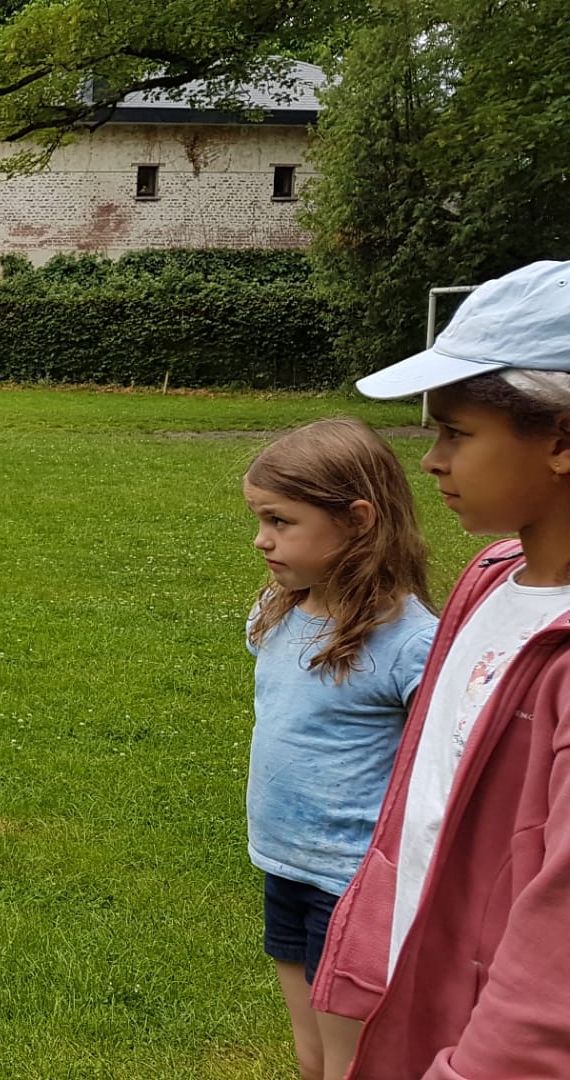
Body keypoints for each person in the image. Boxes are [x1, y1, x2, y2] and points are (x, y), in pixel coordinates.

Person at [314, 260, 570, 1077]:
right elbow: (423, 803)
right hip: (415, 989)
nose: (430, 460)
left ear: (562, 440)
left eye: (456, 432)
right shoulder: (490, 578)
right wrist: (362, 957)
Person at [241, 418, 437, 1080]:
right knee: (311, 1055)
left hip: (354, 883)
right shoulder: (278, 610)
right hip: (284, 863)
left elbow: (442, 766)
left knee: (352, 1064)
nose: (262, 538)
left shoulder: (410, 645)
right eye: (260, 519)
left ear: (357, 521)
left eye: (280, 521)